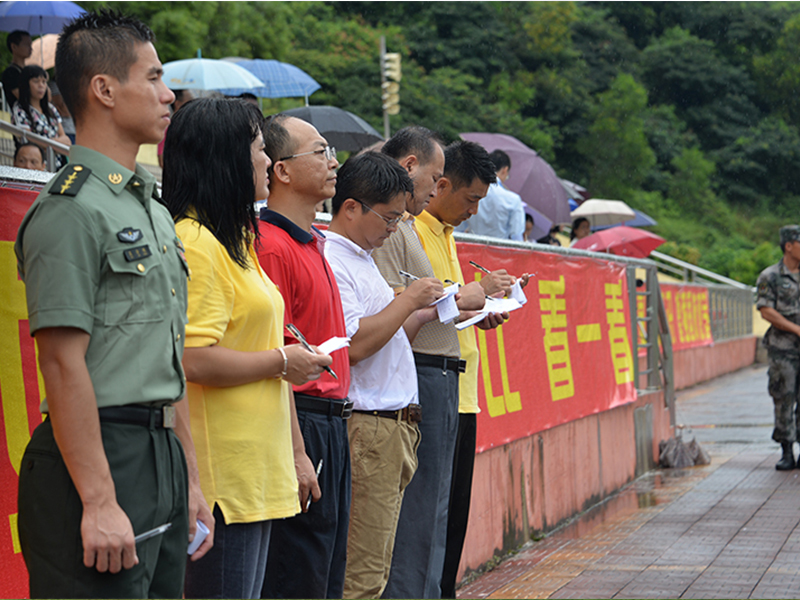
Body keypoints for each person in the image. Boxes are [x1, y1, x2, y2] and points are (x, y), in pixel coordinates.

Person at [14, 10, 213, 598]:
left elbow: (165, 360)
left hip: (160, 454)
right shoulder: (70, 210)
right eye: (151, 77)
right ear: (104, 89)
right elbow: (61, 363)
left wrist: (190, 482)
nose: (167, 92)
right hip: (99, 456)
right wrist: (99, 499)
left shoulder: (149, 208)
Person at [161, 98, 333, 600]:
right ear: (227, 158)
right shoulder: (194, 241)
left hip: (255, 471)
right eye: (259, 149)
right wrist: (283, 361)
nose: (265, 161)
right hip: (222, 482)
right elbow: (190, 358)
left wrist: (296, 453)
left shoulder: (233, 239)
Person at [373, 133, 514, 599]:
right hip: (420, 374)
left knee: (443, 513)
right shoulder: (401, 231)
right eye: (434, 182)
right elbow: (408, 303)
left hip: (452, 379)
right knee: (420, 513)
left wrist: (473, 307)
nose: (434, 192)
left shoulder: (435, 232)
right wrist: (463, 295)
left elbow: (433, 304)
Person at [325, 152, 444, 599]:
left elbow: (393, 332)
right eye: (390, 217)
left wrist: (439, 309)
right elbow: (354, 345)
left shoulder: (363, 257)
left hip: (393, 426)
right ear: (351, 207)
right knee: (362, 572)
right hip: (370, 425)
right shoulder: (334, 259)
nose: (394, 227)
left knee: (375, 566)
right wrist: (409, 299)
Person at [257, 113, 352, 600]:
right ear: (282, 171)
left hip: (332, 423)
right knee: (299, 572)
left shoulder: (313, 241)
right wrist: (296, 450)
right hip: (303, 420)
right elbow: (277, 357)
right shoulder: (270, 246)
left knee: (327, 572)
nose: (333, 161)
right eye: (319, 152)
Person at [756, 225, 800, 471]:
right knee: (784, 398)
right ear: (789, 246)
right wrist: (796, 329)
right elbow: (766, 311)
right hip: (783, 350)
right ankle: (786, 451)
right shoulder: (770, 276)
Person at [455, 149, 525, 241]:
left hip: (473, 250)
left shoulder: (470, 193)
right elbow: (517, 237)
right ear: (505, 170)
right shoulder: (513, 200)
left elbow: (458, 228)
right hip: (500, 252)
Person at [12, 65, 71, 168]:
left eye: (44, 82)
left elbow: (66, 140)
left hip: (57, 165)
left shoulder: (50, 108)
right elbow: (28, 140)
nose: (41, 86)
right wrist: (56, 144)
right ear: (26, 84)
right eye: (36, 81)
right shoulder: (20, 109)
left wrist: (47, 144)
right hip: (35, 167)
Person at [157, 88, 194, 168]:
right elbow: (162, 161)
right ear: (178, 104)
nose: (193, 106)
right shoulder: (167, 128)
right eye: (189, 102)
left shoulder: (194, 128)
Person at [2, 29, 31, 109]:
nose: (30, 48)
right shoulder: (10, 73)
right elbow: (24, 98)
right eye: (26, 44)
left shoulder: (29, 71)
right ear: (14, 46)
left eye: (30, 44)